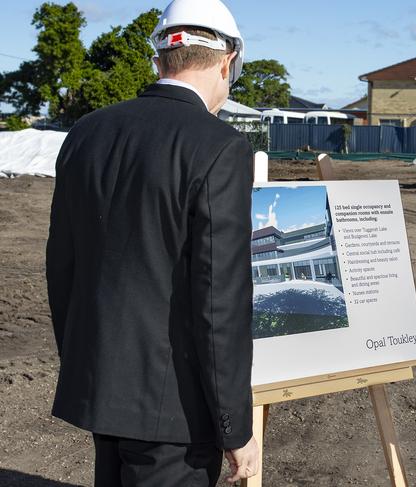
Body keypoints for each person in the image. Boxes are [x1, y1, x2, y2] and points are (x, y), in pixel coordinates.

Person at [45, 0, 258, 485]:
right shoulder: (220, 146)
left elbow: (63, 266)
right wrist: (235, 426)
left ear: (159, 59)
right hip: (176, 413)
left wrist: (85, 361)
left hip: (102, 388)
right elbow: (217, 299)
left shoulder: (85, 133)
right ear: (227, 63)